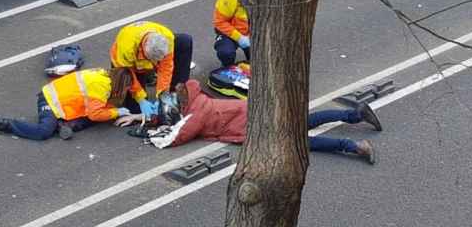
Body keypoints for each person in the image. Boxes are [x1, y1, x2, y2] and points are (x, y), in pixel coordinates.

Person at [117, 79, 382, 164]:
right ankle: (355, 114)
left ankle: (354, 146)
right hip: (260, 113)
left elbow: (177, 135)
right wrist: (142, 117)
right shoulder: (201, 100)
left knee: (302, 141)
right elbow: (170, 116)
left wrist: (151, 136)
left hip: (257, 127)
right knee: (306, 121)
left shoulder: (197, 114)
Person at [0, 68, 133, 140]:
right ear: (120, 83)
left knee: (96, 116)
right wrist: (116, 113)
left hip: (60, 102)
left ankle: (62, 125)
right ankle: (4, 124)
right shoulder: (101, 85)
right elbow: (95, 113)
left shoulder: (103, 76)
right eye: (126, 88)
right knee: (43, 132)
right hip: (49, 101)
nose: (126, 91)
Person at [110, 21, 192, 118]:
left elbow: (166, 69)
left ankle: (175, 92)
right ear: (144, 50)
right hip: (126, 67)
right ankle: (147, 77)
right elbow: (128, 75)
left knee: (184, 41)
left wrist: (162, 95)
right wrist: (141, 99)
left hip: (146, 61)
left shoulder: (167, 38)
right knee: (135, 109)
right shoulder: (127, 48)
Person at [213, 0, 249, 66]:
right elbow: (219, 22)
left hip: (252, 34)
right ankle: (227, 68)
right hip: (230, 33)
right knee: (226, 53)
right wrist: (239, 37)